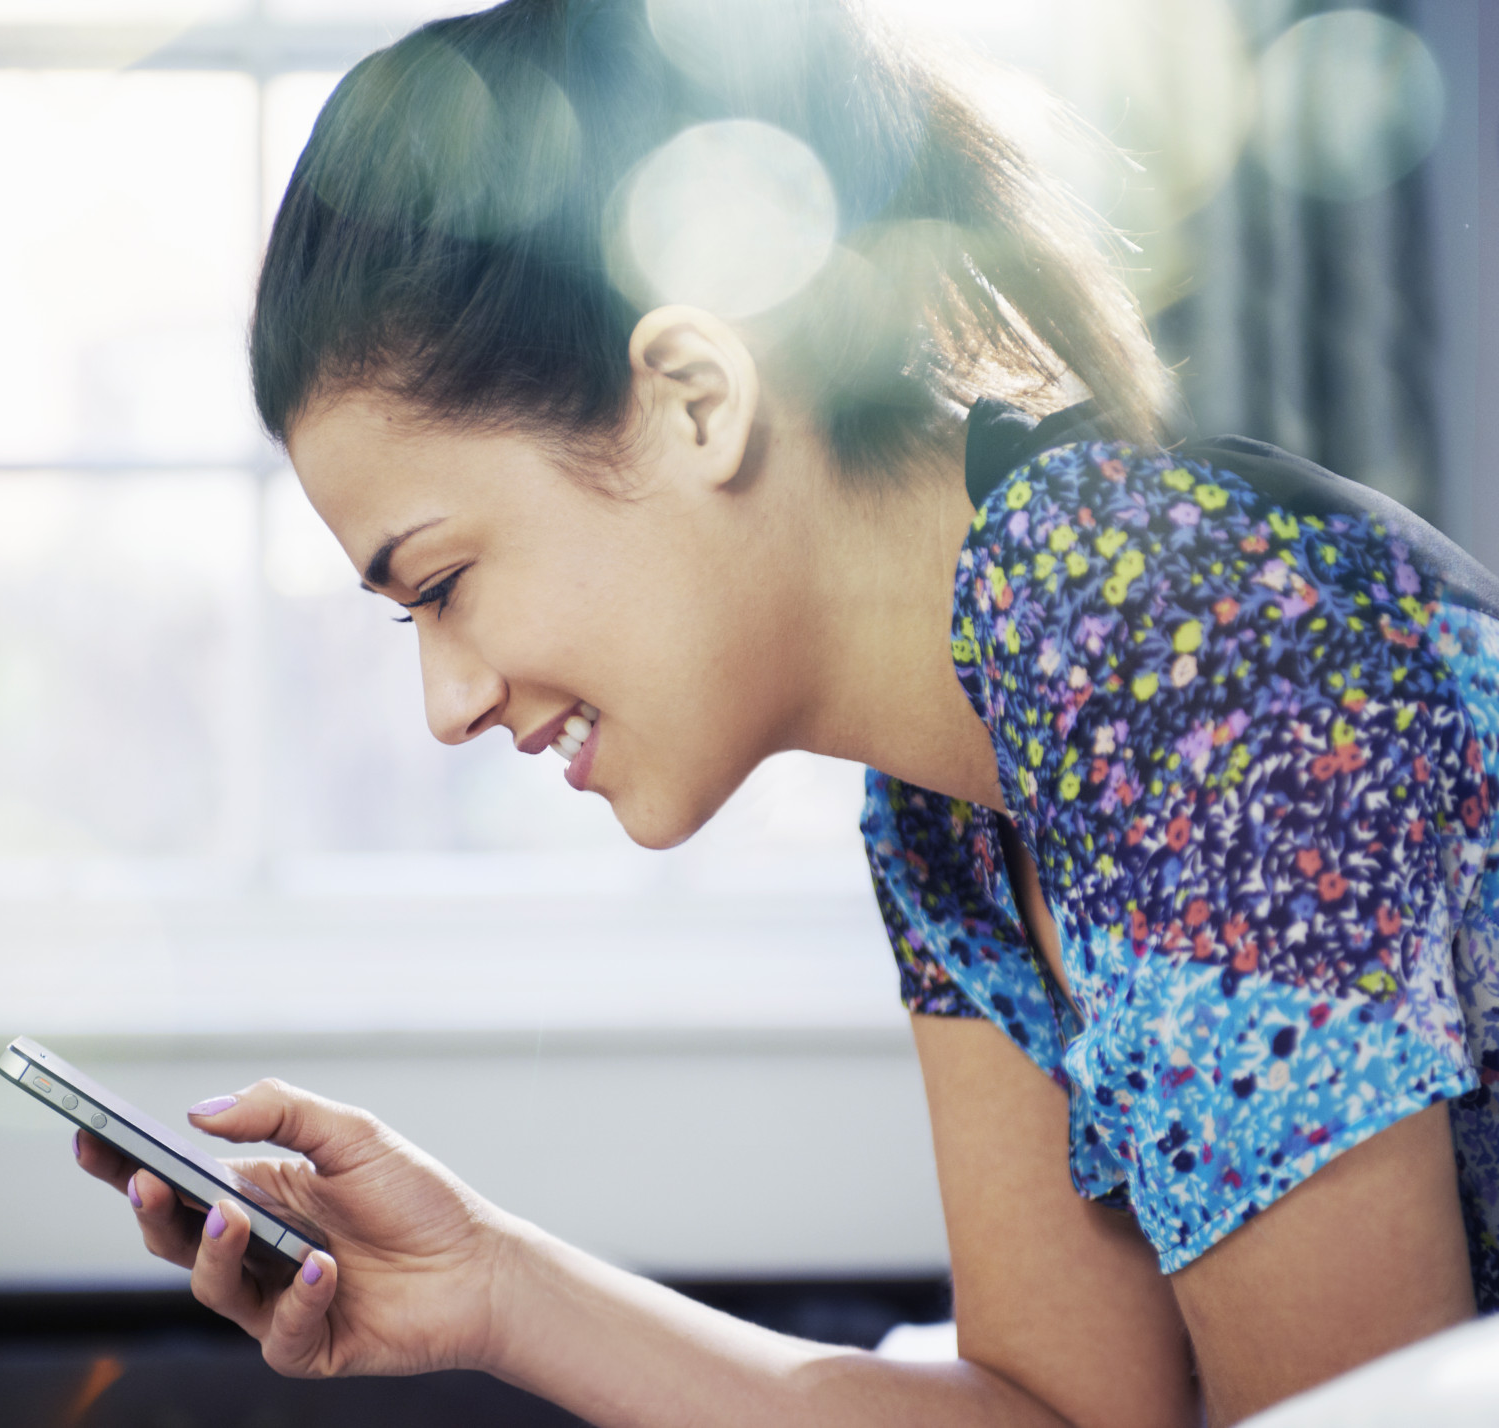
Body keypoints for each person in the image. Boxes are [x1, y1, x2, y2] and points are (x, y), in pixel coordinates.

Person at [76, 2, 1499, 1423]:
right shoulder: (951, 786)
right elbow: (1057, 1414)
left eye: (442, 582)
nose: (444, 707)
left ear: (695, 396)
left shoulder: (1152, 631)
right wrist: (495, 1285)